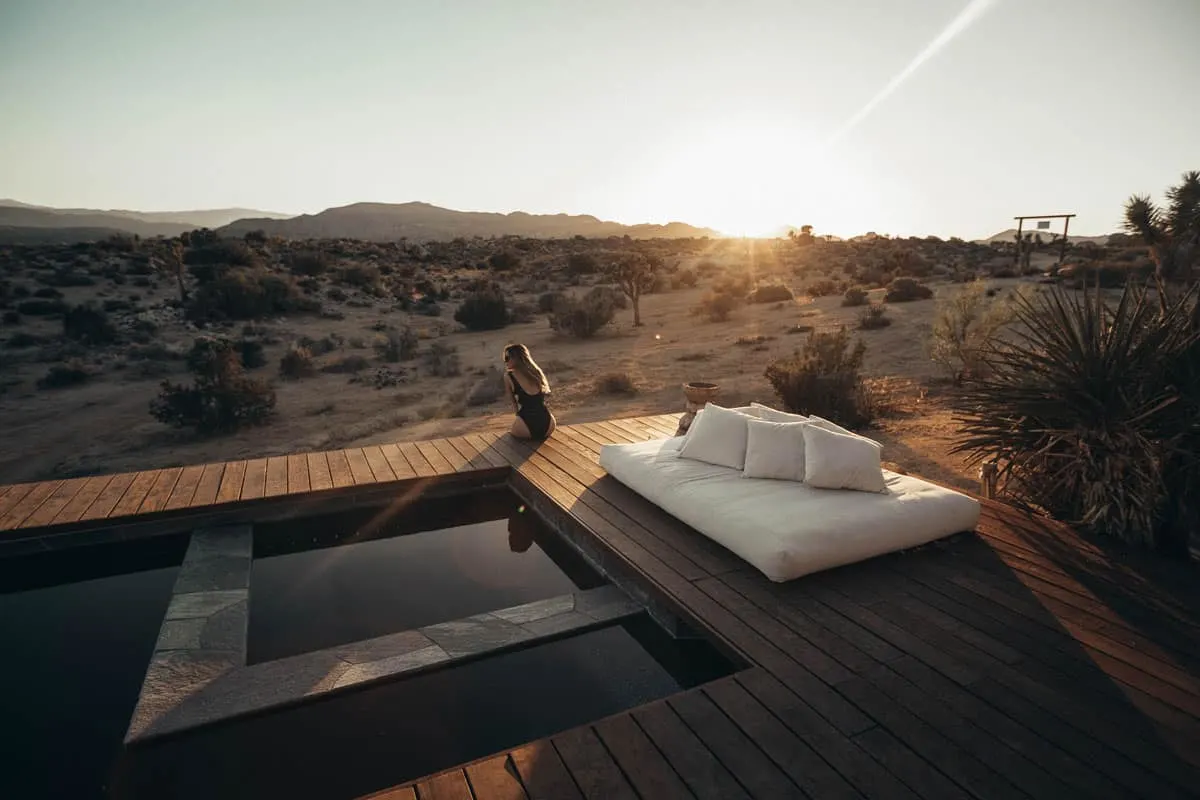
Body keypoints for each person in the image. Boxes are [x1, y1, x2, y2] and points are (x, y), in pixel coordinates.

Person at [502, 343, 556, 440]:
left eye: (507, 358)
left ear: (515, 358)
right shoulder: (536, 372)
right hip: (548, 424)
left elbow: (513, 401)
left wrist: (519, 416)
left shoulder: (509, 376)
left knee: (509, 438)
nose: (505, 361)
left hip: (526, 423)